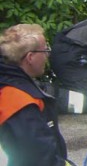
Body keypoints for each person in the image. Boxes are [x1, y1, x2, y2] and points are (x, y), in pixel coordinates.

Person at [0, 24, 71, 165]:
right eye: (45, 50)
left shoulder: (8, 82)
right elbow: (40, 158)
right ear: (30, 57)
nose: (47, 55)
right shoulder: (21, 102)